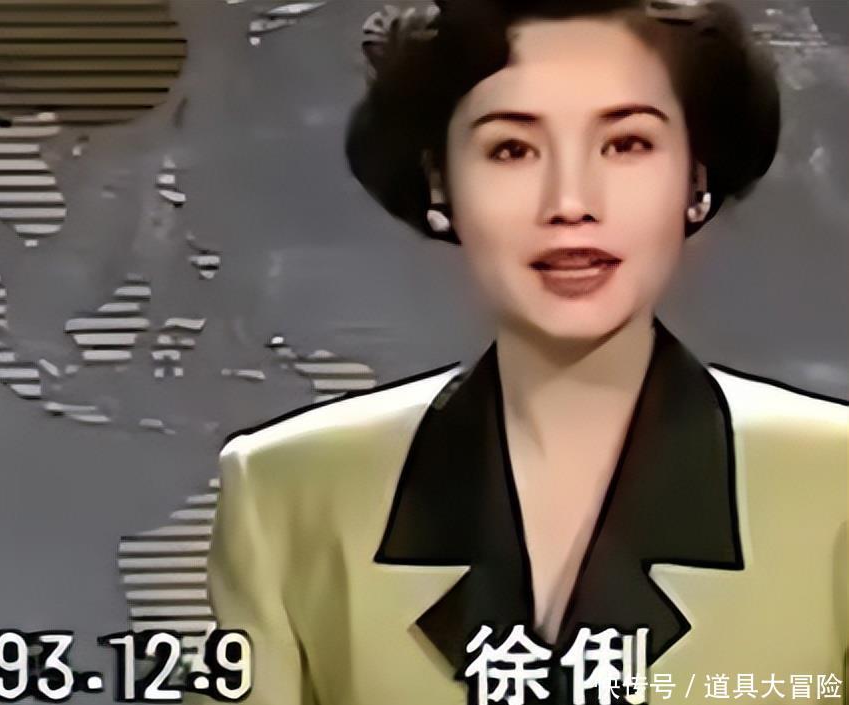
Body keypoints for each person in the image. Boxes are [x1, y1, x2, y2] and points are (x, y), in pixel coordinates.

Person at [187, 0, 847, 703]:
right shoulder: (285, 493)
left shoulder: (836, 485)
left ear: (696, 177)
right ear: (439, 182)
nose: (571, 202)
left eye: (626, 144)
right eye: (512, 150)